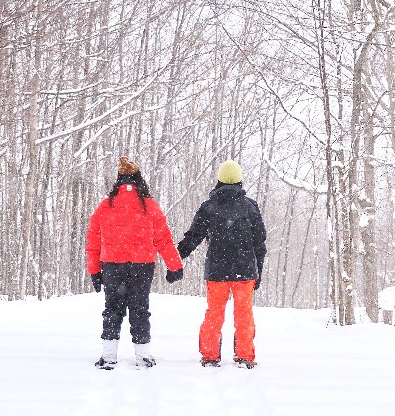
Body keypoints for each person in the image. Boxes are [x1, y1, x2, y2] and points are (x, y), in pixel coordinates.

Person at [85, 156, 184, 369]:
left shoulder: (105, 206)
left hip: (112, 265)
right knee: (140, 309)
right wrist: (174, 265)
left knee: (112, 309)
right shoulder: (149, 206)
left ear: (118, 181)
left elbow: (93, 240)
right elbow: (163, 239)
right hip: (142, 265)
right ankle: (143, 356)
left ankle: (109, 356)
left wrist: (94, 270)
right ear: (139, 180)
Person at [177, 160, 267, 369]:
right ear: (239, 181)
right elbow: (259, 242)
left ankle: (210, 356)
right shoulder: (250, 207)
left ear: (219, 180)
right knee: (244, 315)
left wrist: (177, 255)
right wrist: (258, 271)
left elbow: (194, 236)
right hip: (244, 272)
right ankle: (244, 356)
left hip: (217, 270)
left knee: (214, 313)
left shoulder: (209, 207)